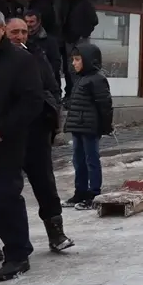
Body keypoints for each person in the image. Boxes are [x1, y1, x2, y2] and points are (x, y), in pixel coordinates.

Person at [0, 17, 71, 261]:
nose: (20, 36)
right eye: (15, 31)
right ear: (7, 31)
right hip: (3, 136)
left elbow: (51, 88)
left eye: (24, 32)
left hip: (34, 132)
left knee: (43, 183)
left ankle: (55, 233)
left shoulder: (36, 55)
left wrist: (51, 112)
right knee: (0, 190)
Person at [0, 11, 44, 281]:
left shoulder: (19, 60)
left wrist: (4, 129)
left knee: (4, 197)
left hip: (5, 142)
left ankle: (17, 254)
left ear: (1, 29)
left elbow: (33, 100)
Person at [63, 43, 112, 210]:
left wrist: (106, 126)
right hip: (78, 126)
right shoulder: (80, 78)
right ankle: (80, 191)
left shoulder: (97, 79)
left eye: (77, 59)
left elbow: (105, 105)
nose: (74, 63)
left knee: (91, 160)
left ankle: (94, 193)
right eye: (73, 60)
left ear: (89, 60)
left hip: (90, 127)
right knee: (78, 160)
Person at [57, 0, 98, 104]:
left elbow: (94, 20)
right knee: (70, 69)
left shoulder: (85, 2)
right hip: (67, 40)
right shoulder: (65, 1)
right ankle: (71, 95)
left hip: (80, 41)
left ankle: (81, 97)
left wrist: (83, 34)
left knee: (81, 68)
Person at [24, 10, 62, 82]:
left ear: (39, 22)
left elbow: (56, 63)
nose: (28, 24)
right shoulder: (21, 40)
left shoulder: (50, 41)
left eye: (31, 22)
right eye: (26, 21)